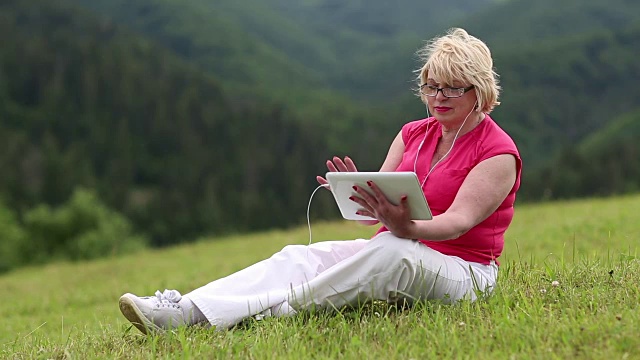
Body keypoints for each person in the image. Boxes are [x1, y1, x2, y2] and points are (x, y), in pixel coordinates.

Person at [118, 27, 522, 334]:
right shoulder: (413, 133)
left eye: (453, 88)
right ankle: (185, 309)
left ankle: (251, 314)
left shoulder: (497, 152)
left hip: (466, 273)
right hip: (397, 245)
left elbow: (459, 222)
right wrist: (361, 195)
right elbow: (372, 219)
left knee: (389, 254)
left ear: (481, 93)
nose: (439, 96)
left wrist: (408, 227)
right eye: (432, 86)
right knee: (300, 256)